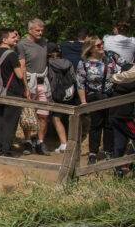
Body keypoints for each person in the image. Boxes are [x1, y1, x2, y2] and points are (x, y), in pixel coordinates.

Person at [77, 36, 122, 164]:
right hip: (94, 96)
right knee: (96, 125)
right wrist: (83, 101)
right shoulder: (84, 63)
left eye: (102, 43)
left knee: (109, 124)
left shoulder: (112, 56)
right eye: (98, 45)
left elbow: (127, 65)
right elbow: (80, 83)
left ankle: (109, 151)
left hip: (111, 94)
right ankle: (93, 153)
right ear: (90, 49)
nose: (102, 46)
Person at [16, 18, 50, 155]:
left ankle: (40, 142)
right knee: (28, 114)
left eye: (42, 30)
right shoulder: (22, 45)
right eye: (37, 30)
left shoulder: (44, 43)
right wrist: (25, 87)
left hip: (43, 83)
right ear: (30, 30)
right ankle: (28, 141)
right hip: (30, 82)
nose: (40, 32)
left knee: (44, 115)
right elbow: (22, 66)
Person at [0, 28, 26, 156]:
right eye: (13, 37)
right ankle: (6, 149)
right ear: (4, 39)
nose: (16, 39)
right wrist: (22, 65)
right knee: (10, 122)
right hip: (12, 92)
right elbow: (20, 75)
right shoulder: (12, 55)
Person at [45, 42, 78, 154]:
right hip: (69, 94)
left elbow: (49, 79)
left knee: (56, 118)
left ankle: (64, 144)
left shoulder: (48, 63)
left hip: (56, 95)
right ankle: (74, 143)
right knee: (71, 117)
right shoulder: (68, 62)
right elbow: (74, 78)